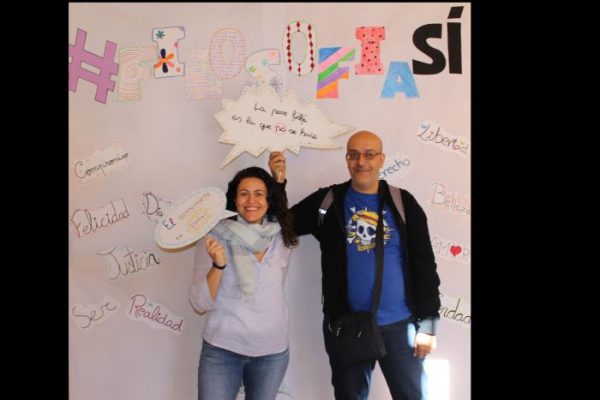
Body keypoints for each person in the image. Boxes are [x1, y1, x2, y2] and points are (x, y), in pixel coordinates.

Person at [268, 131, 441, 400]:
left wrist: (428, 323)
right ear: (347, 159)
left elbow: (425, 266)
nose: (361, 161)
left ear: (381, 159)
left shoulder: (403, 202)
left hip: (401, 327)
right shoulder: (328, 201)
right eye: (354, 155)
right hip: (347, 327)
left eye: (369, 154)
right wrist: (277, 185)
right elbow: (283, 225)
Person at [189, 166, 298, 400]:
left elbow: (284, 211)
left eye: (259, 194)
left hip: (271, 353)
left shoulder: (282, 236)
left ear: (269, 199)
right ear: (234, 199)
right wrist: (218, 265)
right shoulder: (213, 236)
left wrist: (279, 181)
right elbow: (199, 303)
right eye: (244, 193)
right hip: (222, 350)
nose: (251, 201)